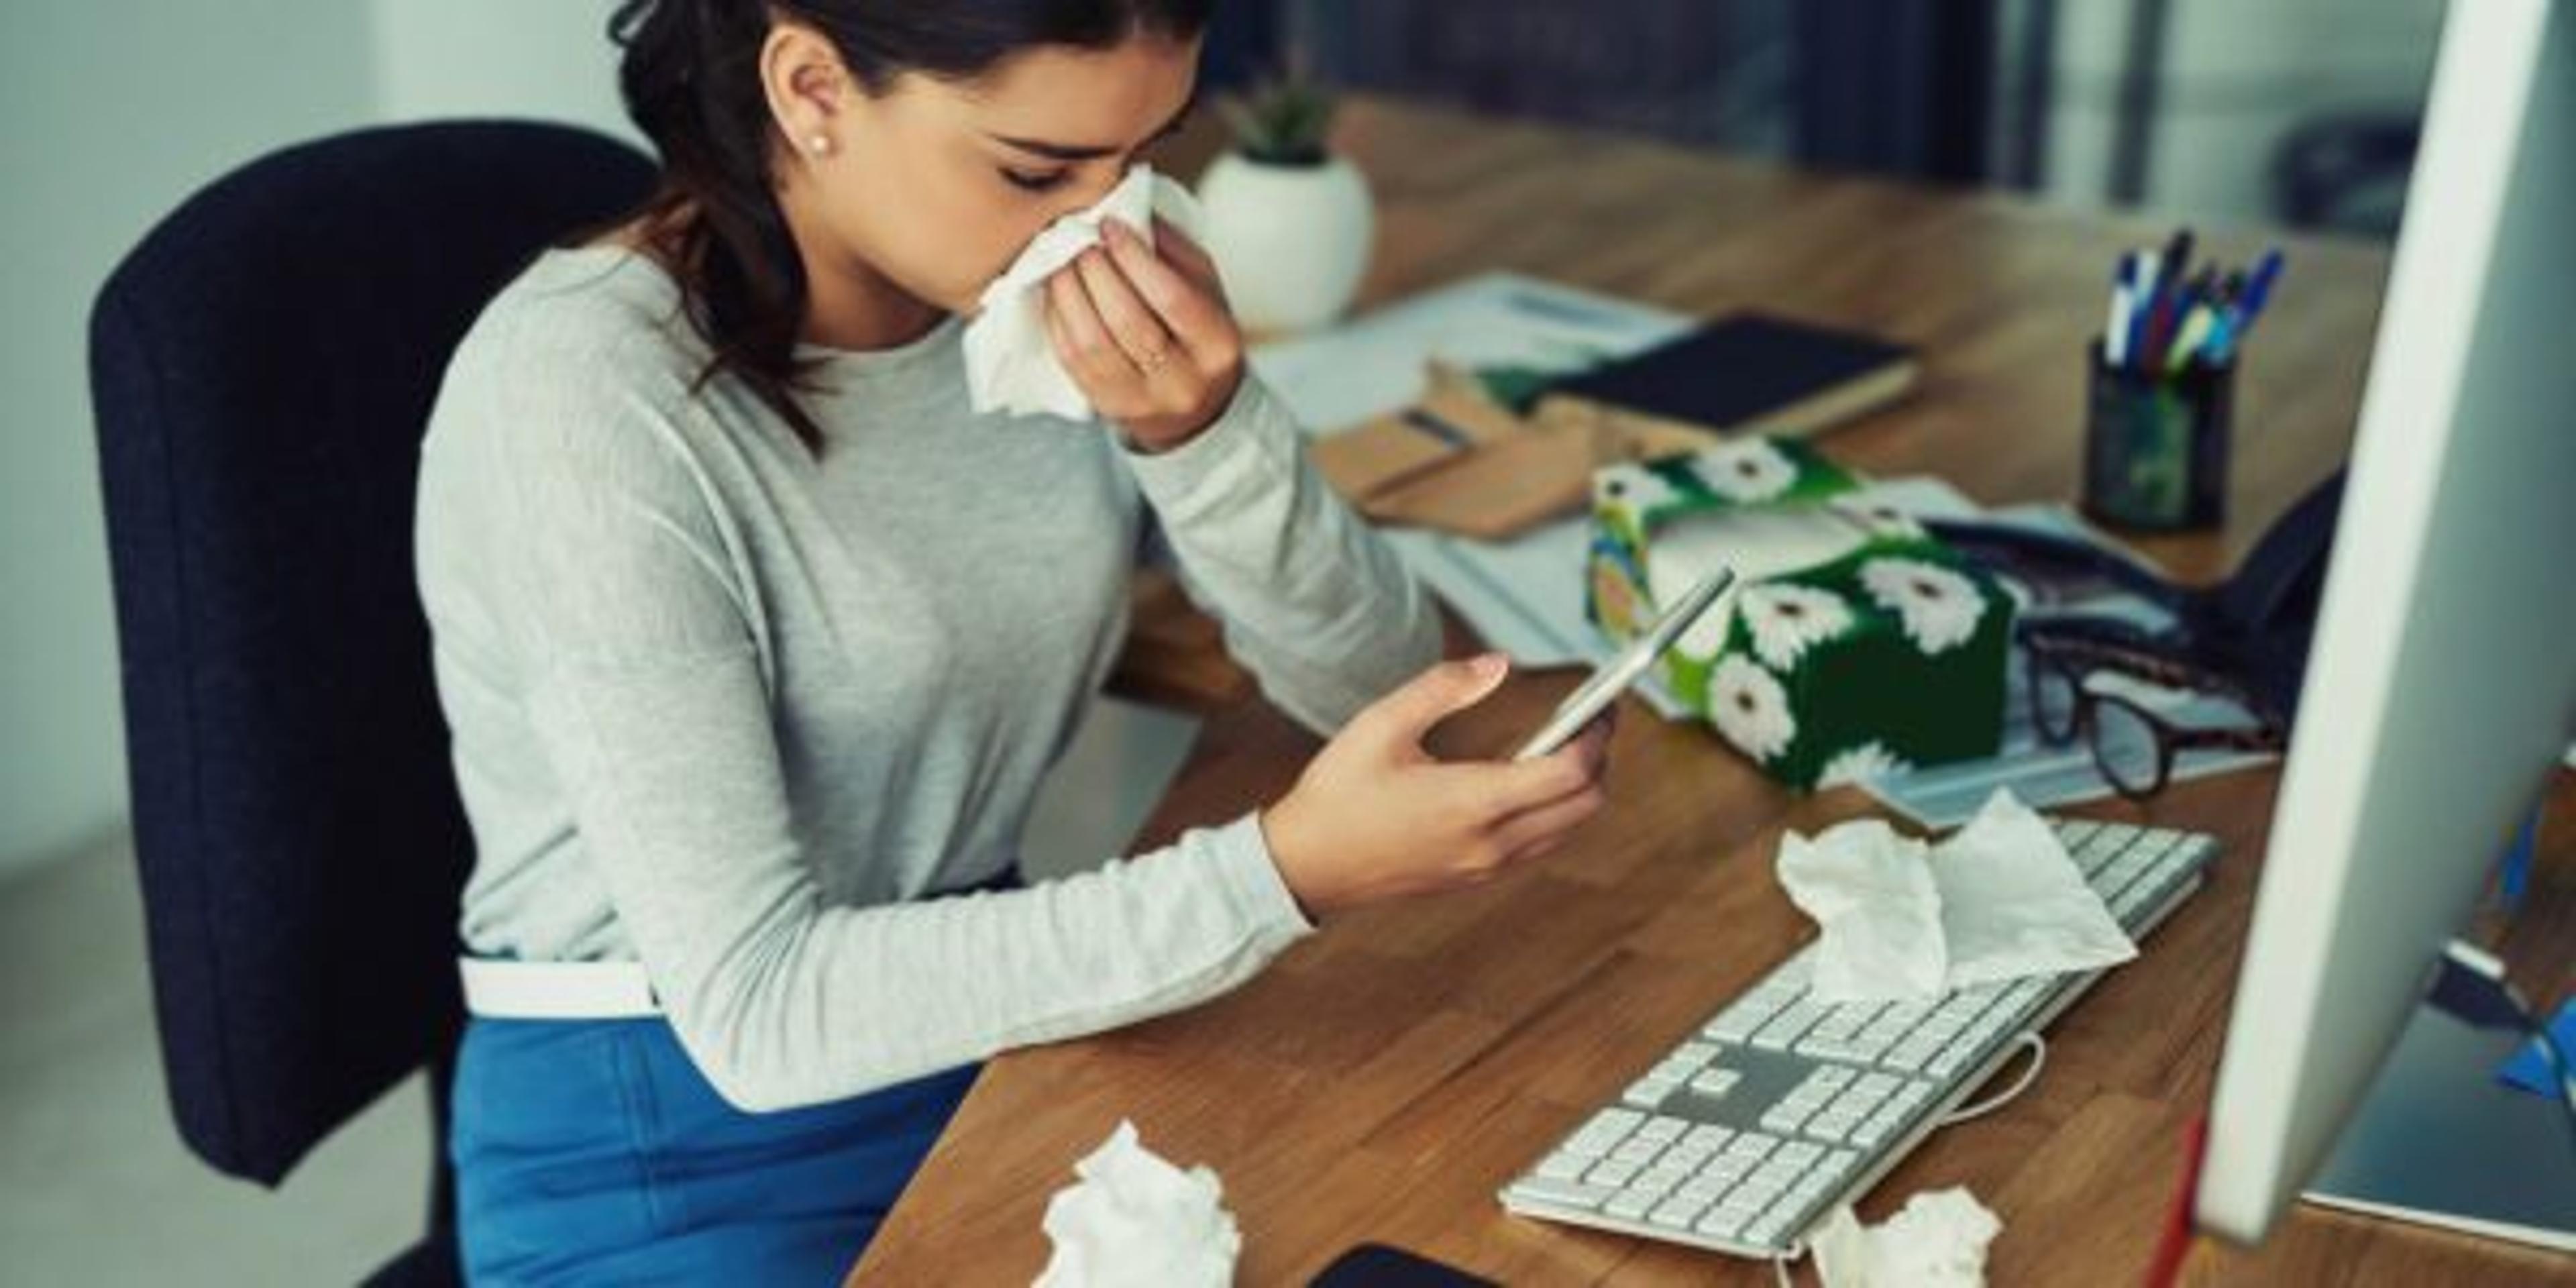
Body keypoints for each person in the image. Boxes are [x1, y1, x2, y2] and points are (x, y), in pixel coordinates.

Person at [413, 1, 1615, 1280]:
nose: (1107, 225)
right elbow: (759, 1012)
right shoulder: (582, 397)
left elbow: (1387, 690)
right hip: (675, 1134)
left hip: (989, 1037)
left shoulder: (1026, 301)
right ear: (813, 89)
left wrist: (1204, 432)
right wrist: (1281, 874)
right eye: (1037, 170)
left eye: (1147, 157)